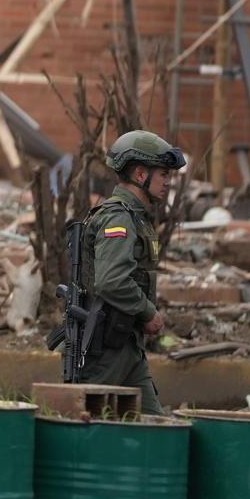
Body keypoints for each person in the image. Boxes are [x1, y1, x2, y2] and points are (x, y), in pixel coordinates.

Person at [80, 129, 187, 416]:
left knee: (155, 427)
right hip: (105, 351)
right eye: (163, 174)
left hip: (127, 345)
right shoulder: (119, 218)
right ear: (141, 174)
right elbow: (111, 280)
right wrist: (147, 312)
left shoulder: (135, 217)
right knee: (87, 425)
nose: (167, 182)